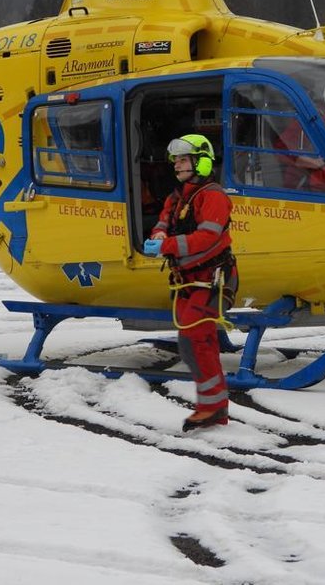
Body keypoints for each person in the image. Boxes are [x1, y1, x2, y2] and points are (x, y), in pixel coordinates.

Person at [143, 134, 238, 432]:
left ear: (201, 162)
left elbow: (208, 237)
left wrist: (167, 246)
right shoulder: (178, 196)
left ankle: (212, 408)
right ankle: (212, 406)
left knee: (197, 338)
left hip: (214, 280)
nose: (177, 166)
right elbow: (163, 221)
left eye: (183, 160)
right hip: (188, 282)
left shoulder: (214, 197)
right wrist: (158, 234)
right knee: (188, 343)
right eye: (176, 161)